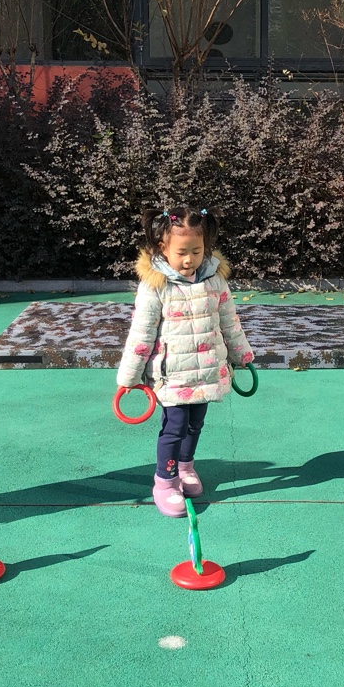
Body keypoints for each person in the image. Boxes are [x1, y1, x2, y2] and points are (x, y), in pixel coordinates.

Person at [116, 208, 254, 516]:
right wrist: (129, 376)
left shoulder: (214, 280)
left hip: (206, 371)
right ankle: (165, 481)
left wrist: (241, 354)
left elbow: (229, 321)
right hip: (173, 376)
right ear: (163, 248)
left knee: (195, 424)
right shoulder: (156, 285)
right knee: (175, 427)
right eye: (182, 252)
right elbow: (141, 333)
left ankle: (186, 467)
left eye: (196, 251)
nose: (189, 259)